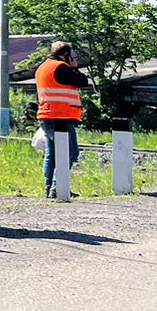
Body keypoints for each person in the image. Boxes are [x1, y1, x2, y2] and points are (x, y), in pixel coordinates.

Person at [35, 41, 89, 199]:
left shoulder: (42, 68)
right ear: (66, 55)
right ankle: (57, 186)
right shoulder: (61, 67)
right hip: (60, 117)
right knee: (70, 152)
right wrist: (73, 66)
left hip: (47, 116)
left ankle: (49, 188)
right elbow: (82, 81)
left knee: (52, 153)